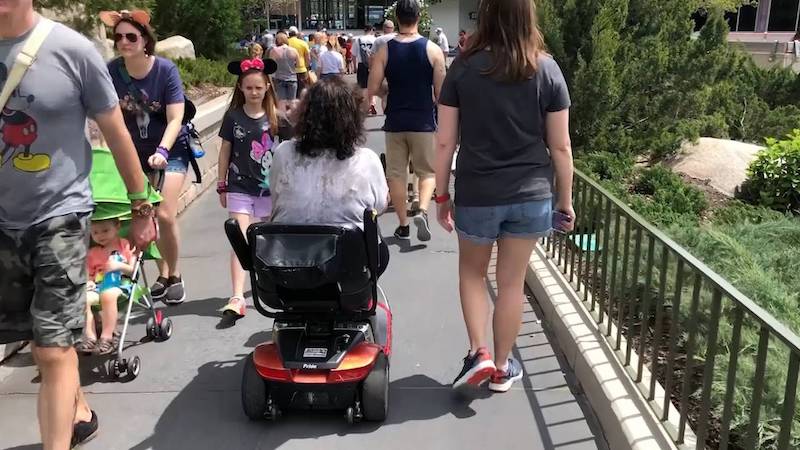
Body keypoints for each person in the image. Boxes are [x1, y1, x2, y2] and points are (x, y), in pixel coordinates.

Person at [0, 3, 155, 449]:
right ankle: (80, 411)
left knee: (49, 348)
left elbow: (116, 130)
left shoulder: (71, 50)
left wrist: (141, 206)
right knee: (45, 339)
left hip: (60, 216)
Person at [435, 0, 576, 393]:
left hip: (478, 192)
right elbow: (561, 147)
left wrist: (442, 195)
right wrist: (564, 201)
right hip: (531, 195)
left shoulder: (463, 67)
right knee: (512, 283)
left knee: (472, 274)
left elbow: (445, 141)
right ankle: (501, 367)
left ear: (487, 15)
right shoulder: (546, 69)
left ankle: (477, 351)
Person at [102, 10, 190, 305]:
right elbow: (107, 117)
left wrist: (163, 150)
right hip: (134, 154)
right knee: (143, 215)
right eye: (118, 37)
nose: (123, 42)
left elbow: (176, 116)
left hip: (170, 149)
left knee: (164, 213)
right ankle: (161, 274)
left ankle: (175, 274)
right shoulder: (112, 72)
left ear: (145, 40)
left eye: (131, 36)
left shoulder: (165, 70)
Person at [368, 0, 446, 242]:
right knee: (427, 172)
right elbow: (441, 94)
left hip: (395, 122)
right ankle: (422, 209)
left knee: (396, 174)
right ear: (419, 17)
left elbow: (372, 87)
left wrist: (385, 92)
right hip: (423, 121)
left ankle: (402, 224)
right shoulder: (433, 50)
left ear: (397, 18)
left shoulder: (385, 50)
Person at [270, 77, 388, 231]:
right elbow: (379, 206)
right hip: (348, 250)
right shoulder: (366, 160)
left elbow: (275, 195)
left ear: (305, 114)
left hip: (289, 248)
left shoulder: (284, 153)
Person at [217, 57, 284, 319]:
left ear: (267, 86)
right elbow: (225, 151)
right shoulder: (233, 117)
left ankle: (274, 284)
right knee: (240, 240)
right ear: (241, 89)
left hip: (270, 189)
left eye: (258, 87)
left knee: (271, 239)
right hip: (239, 186)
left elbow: (288, 152)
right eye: (248, 88)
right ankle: (236, 296)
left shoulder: (276, 117)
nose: (254, 92)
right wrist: (222, 183)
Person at [78, 219, 136, 355]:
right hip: (99, 286)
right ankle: (90, 336)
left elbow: (133, 270)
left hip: (121, 284)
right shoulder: (93, 253)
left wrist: (119, 266)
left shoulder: (123, 245)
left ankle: (107, 337)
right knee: (83, 298)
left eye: (105, 231)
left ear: (117, 227)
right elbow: (90, 274)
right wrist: (90, 281)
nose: (100, 235)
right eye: (95, 232)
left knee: (107, 294)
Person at [270, 31, 300, 111]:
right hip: (292, 78)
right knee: (292, 102)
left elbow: (271, 66)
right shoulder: (294, 50)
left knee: (281, 102)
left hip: (279, 78)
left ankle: (283, 120)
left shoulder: (274, 51)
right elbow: (298, 65)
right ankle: (293, 119)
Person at [354, 25, 377, 114]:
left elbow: (353, 54)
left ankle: (366, 106)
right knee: (372, 86)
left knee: (363, 87)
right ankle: (372, 103)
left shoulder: (358, 40)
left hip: (361, 65)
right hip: (373, 65)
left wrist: (354, 65)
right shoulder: (375, 40)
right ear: (371, 30)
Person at [288, 26, 311, 96]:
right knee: (301, 91)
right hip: (301, 69)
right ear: (297, 34)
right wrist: (307, 68)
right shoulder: (303, 43)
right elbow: (308, 58)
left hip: (289, 70)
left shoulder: (286, 43)